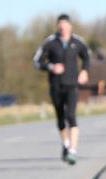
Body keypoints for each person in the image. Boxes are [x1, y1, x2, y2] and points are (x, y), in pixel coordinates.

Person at [33, 14, 90, 165]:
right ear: (58, 27)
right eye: (60, 26)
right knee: (60, 120)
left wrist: (84, 71)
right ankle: (65, 143)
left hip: (72, 85)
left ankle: (72, 151)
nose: (63, 29)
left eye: (65, 26)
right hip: (56, 86)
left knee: (71, 116)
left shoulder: (78, 42)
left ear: (70, 26)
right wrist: (51, 67)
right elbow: (37, 61)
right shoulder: (50, 42)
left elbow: (87, 57)